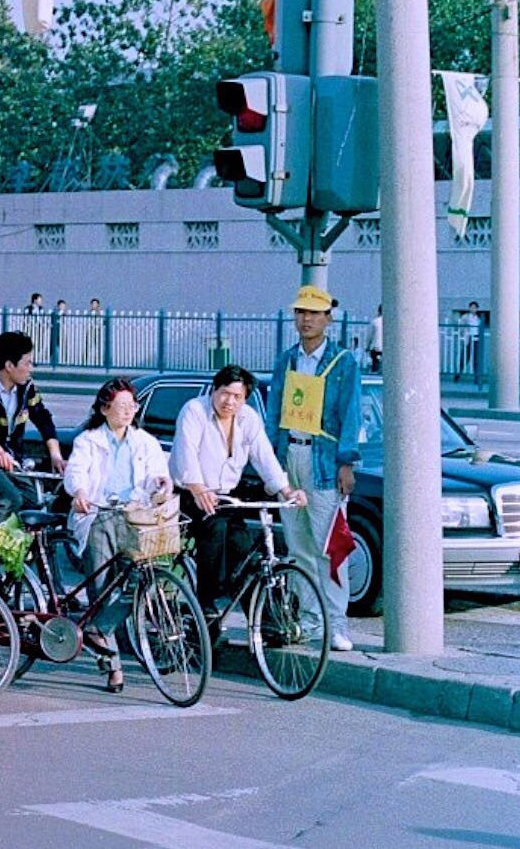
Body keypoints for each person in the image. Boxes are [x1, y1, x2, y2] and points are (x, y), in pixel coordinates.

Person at [266, 285, 362, 652]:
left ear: (328, 318)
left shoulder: (343, 362)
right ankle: (309, 621)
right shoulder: (287, 360)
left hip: (324, 461)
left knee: (330, 547)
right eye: (300, 312)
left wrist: (346, 461)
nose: (306, 319)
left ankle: (337, 625)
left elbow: (349, 414)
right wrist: (273, 465)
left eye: (313, 313)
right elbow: (274, 413)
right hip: (292, 456)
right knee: (299, 547)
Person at [64, 377, 172, 694]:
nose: (128, 412)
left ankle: (98, 628)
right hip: (99, 515)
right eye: (121, 406)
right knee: (102, 591)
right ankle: (113, 668)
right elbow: (76, 471)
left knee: (141, 582)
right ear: (105, 408)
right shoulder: (89, 440)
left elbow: (157, 473)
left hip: (135, 516)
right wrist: (80, 491)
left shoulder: (144, 441)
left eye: (132, 406)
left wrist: (162, 484)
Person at [171, 365, 304, 621]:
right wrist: (198, 487)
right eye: (224, 393)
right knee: (214, 532)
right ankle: (205, 604)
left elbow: (264, 456)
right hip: (191, 492)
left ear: (245, 398)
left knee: (244, 551)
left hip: (227, 496)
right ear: (214, 390)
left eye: (237, 397)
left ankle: (265, 620)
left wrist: (286, 490)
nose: (229, 401)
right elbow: (185, 453)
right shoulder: (195, 411)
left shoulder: (248, 418)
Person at [0, 331, 66, 522]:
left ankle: (19, 547)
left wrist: (56, 454)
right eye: (27, 363)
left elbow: (43, 419)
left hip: (13, 462)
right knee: (10, 499)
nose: (31, 369)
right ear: (9, 365)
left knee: (33, 502)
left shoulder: (27, 388)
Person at [458, 301, 483, 382]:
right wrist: (463, 334)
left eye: (475, 308)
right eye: (471, 307)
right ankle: (458, 374)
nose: (473, 309)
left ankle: (476, 377)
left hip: (476, 338)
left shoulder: (478, 318)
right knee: (465, 357)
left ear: (477, 309)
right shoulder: (465, 317)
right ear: (469, 308)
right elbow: (460, 326)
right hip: (468, 338)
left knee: (476, 358)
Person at [365, 304, 383, 373]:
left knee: (374, 360)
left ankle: (374, 370)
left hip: (376, 347)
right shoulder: (391, 322)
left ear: (378, 311)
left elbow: (369, 336)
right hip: (387, 349)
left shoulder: (375, 322)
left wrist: (367, 347)